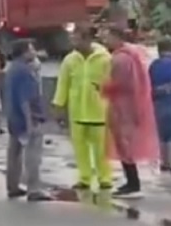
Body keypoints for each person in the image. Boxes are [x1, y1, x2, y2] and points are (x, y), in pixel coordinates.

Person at [52, 26, 112, 191]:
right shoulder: (70, 60)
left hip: (99, 112)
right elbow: (63, 84)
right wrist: (58, 106)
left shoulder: (105, 58)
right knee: (80, 148)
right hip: (77, 112)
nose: (73, 42)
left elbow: (112, 84)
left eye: (76, 38)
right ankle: (84, 178)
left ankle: (104, 178)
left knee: (101, 149)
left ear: (87, 39)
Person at [101, 27, 159, 198]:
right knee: (126, 144)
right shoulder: (133, 54)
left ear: (116, 37)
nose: (106, 41)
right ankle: (132, 182)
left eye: (108, 36)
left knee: (124, 145)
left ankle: (132, 184)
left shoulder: (120, 59)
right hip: (130, 105)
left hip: (122, 107)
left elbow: (118, 85)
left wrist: (103, 88)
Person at [4, 40, 52, 201]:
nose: (34, 52)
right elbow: (25, 99)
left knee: (14, 153)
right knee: (33, 155)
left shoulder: (12, 69)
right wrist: (30, 121)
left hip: (13, 117)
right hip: (28, 118)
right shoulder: (24, 71)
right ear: (24, 52)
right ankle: (34, 189)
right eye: (31, 49)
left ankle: (12, 185)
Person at [149, 37, 171, 172]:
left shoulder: (154, 65)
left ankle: (165, 162)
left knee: (163, 135)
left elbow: (148, 85)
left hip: (159, 103)